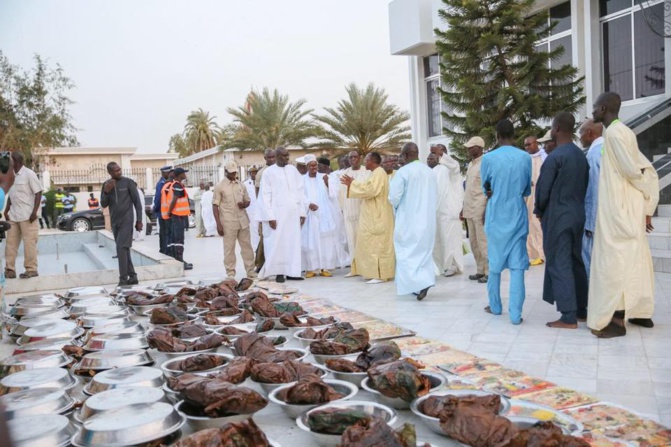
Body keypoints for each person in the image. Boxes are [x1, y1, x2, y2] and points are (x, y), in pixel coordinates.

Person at [588, 92, 659, 338]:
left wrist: (646, 200)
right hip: (627, 205)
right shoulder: (621, 132)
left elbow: (634, 170)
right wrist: (645, 205)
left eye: (595, 107)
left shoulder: (616, 134)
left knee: (613, 263)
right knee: (636, 259)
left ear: (604, 108)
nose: (592, 110)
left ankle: (617, 321)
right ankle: (641, 312)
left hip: (619, 208)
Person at [534, 113, 589, 329]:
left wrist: (539, 210)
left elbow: (543, 189)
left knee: (559, 262)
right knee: (575, 261)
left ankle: (568, 315)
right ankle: (582, 309)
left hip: (558, 217)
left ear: (556, 129)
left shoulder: (556, 156)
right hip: (577, 214)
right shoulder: (579, 155)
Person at [481, 119, 531, 325]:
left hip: (496, 216)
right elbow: (527, 189)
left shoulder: (488, 159)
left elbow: (486, 189)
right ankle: (515, 315)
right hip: (517, 214)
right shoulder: (525, 157)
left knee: (494, 264)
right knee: (517, 266)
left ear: (497, 136)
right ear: (514, 134)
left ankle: (495, 306)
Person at [389, 143, 437, 300]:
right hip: (427, 221)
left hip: (408, 220)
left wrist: (397, 208)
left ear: (406, 155)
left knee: (406, 253)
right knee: (424, 253)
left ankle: (418, 284)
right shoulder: (429, 172)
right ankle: (425, 281)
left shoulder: (403, 172)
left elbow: (394, 197)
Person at [341, 152, 395, 284]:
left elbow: (371, 190)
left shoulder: (379, 172)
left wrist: (352, 184)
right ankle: (372, 272)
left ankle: (381, 274)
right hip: (372, 214)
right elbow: (367, 186)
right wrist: (353, 183)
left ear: (372, 161)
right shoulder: (374, 173)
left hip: (378, 215)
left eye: (366, 160)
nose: (364, 162)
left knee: (378, 244)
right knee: (370, 244)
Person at [256, 147, 306, 283]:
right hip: (277, 215)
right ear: (277, 156)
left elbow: (300, 191)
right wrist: (270, 216)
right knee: (277, 243)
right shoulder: (268, 173)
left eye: (288, 155)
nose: (287, 158)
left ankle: (292, 272)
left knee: (292, 242)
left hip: (292, 214)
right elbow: (264, 196)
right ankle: (279, 273)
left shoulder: (293, 170)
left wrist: (302, 212)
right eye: (284, 156)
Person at [301, 155, 349, 277]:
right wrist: (308, 204)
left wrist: (327, 183)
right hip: (309, 214)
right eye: (311, 165)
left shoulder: (324, 177)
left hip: (324, 214)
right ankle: (311, 268)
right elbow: (299, 195)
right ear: (307, 166)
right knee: (310, 241)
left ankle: (325, 267)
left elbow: (334, 194)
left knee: (325, 241)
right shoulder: (301, 180)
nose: (314, 168)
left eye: (315, 165)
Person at [100, 162, 143, 286]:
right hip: (115, 222)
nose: (119, 172)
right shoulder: (106, 185)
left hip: (127, 221)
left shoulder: (128, 182)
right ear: (110, 172)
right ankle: (133, 277)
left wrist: (139, 220)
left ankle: (123, 279)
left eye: (119, 170)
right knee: (124, 249)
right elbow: (103, 204)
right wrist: (106, 192)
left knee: (120, 248)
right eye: (115, 171)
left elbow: (138, 204)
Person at [213, 161, 257, 280]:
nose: (234, 175)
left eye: (235, 173)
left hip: (243, 221)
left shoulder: (241, 185)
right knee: (229, 249)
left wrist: (244, 204)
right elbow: (215, 206)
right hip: (228, 222)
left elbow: (248, 201)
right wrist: (218, 225)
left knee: (247, 247)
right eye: (231, 173)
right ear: (226, 172)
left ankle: (250, 271)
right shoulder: (220, 186)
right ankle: (230, 272)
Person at [4, 152, 42, 279]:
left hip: (28, 216)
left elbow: (38, 193)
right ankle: (10, 270)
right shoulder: (11, 176)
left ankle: (31, 269)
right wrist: (6, 210)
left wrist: (34, 212)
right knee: (10, 244)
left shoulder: (29, 174)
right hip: (13, 216)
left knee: (29, 243)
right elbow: (12, 194)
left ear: (15, 161)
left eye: (9, 160)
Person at [429, 146, 464, 277]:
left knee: (451, 240)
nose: (435, 155)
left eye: (439, 152)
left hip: (449, 211)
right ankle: (443, 265)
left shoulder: (451, 168)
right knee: (439, 241)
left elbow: (455, 165)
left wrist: (442, 155)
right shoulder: (434, 170)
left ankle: (453, 266)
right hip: (437, 211)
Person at [461, 137, 489, 283]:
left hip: (480, 208)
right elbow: (468, 188)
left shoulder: (485, 163)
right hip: (469, 208)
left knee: (483, 241)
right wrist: (462, 207)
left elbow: (489, 187)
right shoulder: (471, 164)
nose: (468, 149)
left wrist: (486, 210)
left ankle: (489, 271)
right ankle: (480, 270)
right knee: (473, 242)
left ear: (479, 147)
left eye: (471, 147)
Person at [578, 119, 604, 276]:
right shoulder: (609, 149)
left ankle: (591, 299)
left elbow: (593, 191)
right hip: (608, 218)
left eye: (580, 133)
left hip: (594, 222)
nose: (579, 138)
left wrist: (589, 224)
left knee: (590, 265)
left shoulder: (593, 155)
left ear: (589, 133)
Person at [340, 151, 371, 275]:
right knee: (351, 240)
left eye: (355, 157)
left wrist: (354, 183)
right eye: (350, 157)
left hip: (362, 211)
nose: (353, 159)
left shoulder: (367, 172)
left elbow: (367, 189)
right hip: (349, 212)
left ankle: (366, 268)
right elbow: (341, 194)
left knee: (363, 240)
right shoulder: (344, 173)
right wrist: (343, 209)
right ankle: (355, 268)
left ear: (360, 158)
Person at [161, 167, 193, 270]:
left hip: (176, 215)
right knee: (179, 239)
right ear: (180, 175)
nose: (185, 175)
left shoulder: (173, 185)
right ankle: (180, 261)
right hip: (178, 215)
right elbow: (174, 200)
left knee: (175, 239)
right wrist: (169, 212)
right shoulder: (177, 185)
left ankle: (176, 260)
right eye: (184, 173)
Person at [523, 135, 547, 266]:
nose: (527, 147)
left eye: (529, 144)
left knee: (538, 225)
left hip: (539, 195)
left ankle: (540, 254)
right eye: (525, 145)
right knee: (530, 225)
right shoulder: (526, 159)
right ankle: (531, 253)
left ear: (536, 143)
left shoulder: (544, 157)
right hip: (528, 196)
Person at [254, 149, 276, 271]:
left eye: (273, 157)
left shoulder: (280, 170)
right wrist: (263, 210)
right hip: (266, 211)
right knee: (264, 237)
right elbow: (258, 193)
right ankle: (259, 264)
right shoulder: (261, 173)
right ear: (265, 158)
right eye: (269, 158)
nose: (272, 160)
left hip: (278, 210)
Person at [153, 165, 172, 254]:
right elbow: (158, 198)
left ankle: (163, 249)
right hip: (163, 212)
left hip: (164, 212)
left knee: (164, 232)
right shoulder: (162, 184)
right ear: (165, 173)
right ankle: (164, 250)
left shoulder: (164, 182)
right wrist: (155, 209)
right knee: (165, 232)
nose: (171, 174)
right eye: (169, 173)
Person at [243, 166, 260, 250]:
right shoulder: (245, 184)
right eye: (252, 173)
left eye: (255, 173)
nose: (254, 174)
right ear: (249, 174)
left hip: (260, 209)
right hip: (251, 210)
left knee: (260, 228)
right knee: (253, 229)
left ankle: (261, 246)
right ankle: (255, 246)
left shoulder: (261, 182)